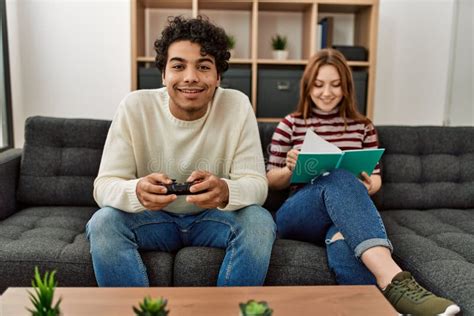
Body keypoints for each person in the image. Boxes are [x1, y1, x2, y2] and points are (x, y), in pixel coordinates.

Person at [266, 48, 460, 315]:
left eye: (335, 85)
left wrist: (368, 185)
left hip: (344, 213)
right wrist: (290, 169)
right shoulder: (291, 124)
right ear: (308, 87)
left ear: (346, 87)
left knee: (344, 236)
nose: (327, 92)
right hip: (299, 214)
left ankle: (376, 310)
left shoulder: (362, 126)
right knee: (337, 176)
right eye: (319, 85)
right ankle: (396, 281)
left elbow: (376, 180)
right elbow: (270, 181)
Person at [86, 16, 276, 287]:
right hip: (152, 219)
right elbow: (103, 186)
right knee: (103, 222)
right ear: (163, 74)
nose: (191, 77)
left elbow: (257, 185)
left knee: (259, 221)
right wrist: (136, 191)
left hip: (214, 218)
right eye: (178, 66)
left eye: (203, 66)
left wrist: (225, 191)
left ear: (218, 76)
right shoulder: (134, 107)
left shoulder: (237, 106)